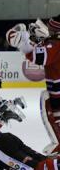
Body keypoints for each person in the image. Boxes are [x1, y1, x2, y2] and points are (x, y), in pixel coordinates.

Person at [7, 16, 60, 154]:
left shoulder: (56, 44)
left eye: (51, 28)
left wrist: (23, 42)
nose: (48, 30)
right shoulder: (54, 43)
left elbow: (39, 56)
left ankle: (58, 143)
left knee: (47, 103)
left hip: (58, 91)